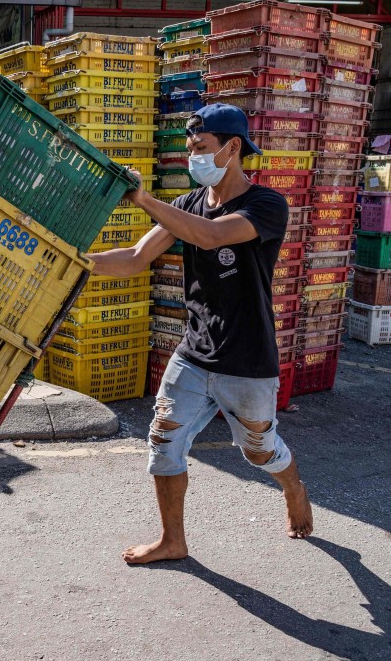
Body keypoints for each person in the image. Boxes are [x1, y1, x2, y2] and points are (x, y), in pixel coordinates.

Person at [85, 103, 314, 565]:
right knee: (163, 440)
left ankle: (293, 487)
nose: (194, 156)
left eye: (202, 147)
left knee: (259, 451)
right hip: (194, 351)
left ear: (233, 148)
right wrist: (72, 262)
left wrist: (145, 200)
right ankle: (173, 540)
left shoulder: (266, 204)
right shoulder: (187, 205)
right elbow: (134, 257)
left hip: (247, 357)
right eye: (190, 147)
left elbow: (210, 236)